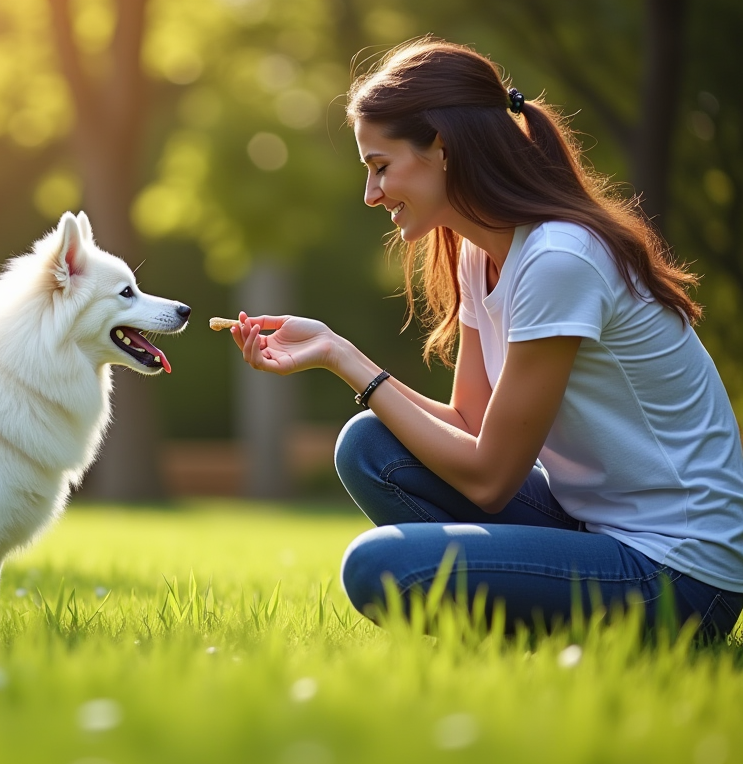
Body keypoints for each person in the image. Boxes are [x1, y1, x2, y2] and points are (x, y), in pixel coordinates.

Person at [228, 37, 743, 639]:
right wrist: (333, 351)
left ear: (441, 149)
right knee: (370, 446)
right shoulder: (481, 256)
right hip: (594, 530)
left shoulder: (558, 260)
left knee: (378, 565)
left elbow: (490, 478)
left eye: (380, 167)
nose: (371, 194)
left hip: (679, 574)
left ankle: (539, 630)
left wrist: (348, 362)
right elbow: (470, 422)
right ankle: (535, 627)